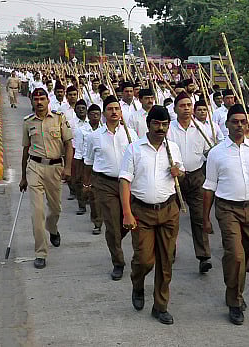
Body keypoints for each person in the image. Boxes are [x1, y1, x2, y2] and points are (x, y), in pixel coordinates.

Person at [202, 104, 249, 325]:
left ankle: (237, 291)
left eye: (244, 122)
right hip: (227, 209)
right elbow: (209, 186)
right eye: (235, 121)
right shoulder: (216, 153)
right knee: (235, 255)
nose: (240, 125)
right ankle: (234, 301)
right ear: (227, 124)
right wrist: (205, 218)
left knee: (245, 253)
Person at [119, 105, 184, 325]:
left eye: (165, 124)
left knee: (166, 261)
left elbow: (180, 172)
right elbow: (124, 182)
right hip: (142, 212)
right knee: (144, 260)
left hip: (168, 210)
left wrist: (179, 172)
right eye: (156, 123)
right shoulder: (134, 149)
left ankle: (160, 306)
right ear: (148, 124)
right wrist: (127, 213)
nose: (161, 128)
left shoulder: (172, 148)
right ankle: (138, 285)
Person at [82, 96, 138, 280]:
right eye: (110, 109)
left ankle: (113, 241)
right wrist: (86, 183)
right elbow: (88, 161)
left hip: (128, 183)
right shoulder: (94, 136)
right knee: (113, 224)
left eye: (117, 109)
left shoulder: (131, 134)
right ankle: (118, 262)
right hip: (104, 184)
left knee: (128, 222)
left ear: (121, 113)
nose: (114, 112)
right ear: (104, 113)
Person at [19, 88, 73, 269]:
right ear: (32, 101)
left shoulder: (59, 118)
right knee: (37, 212)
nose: (39, 102)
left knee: (55, 208)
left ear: (48, 101)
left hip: (55, 168)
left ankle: (53, 228)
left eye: (42, 99)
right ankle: (40, 252)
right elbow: (25, 150)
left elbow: (68, 144)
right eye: (36, 99)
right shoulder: (28, 122)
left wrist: (68, 168)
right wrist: (23, 177)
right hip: (34, 167)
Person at [167, 93, 213, 273]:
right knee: (171, 218)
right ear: (175, 109)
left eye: (188, 105)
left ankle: (204, 256)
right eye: (182, 105)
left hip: (196, 176)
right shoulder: (169, 130)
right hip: (174, 178)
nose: (186, 108)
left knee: (199, 217)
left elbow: (209, 152)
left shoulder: (201, 128)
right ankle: (169, 252)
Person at [74, 104, 102, 233]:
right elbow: (79, 151)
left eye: (98, 113)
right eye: (92, 114)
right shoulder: (82, 131)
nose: (95, 116)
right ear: (88, 116)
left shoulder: (104, 130)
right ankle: (97, 223)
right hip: (88, 164)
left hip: (102, 165)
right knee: (93, 196)